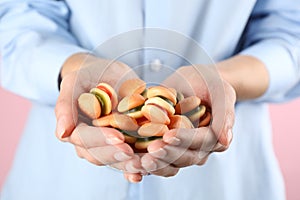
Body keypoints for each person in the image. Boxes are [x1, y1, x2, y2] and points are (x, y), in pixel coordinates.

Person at [1, 0, 300, 199]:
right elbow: (17, 20)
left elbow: (291, 31)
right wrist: (76, 69)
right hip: (59, 182)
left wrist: (226, 80)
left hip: (226, 182)